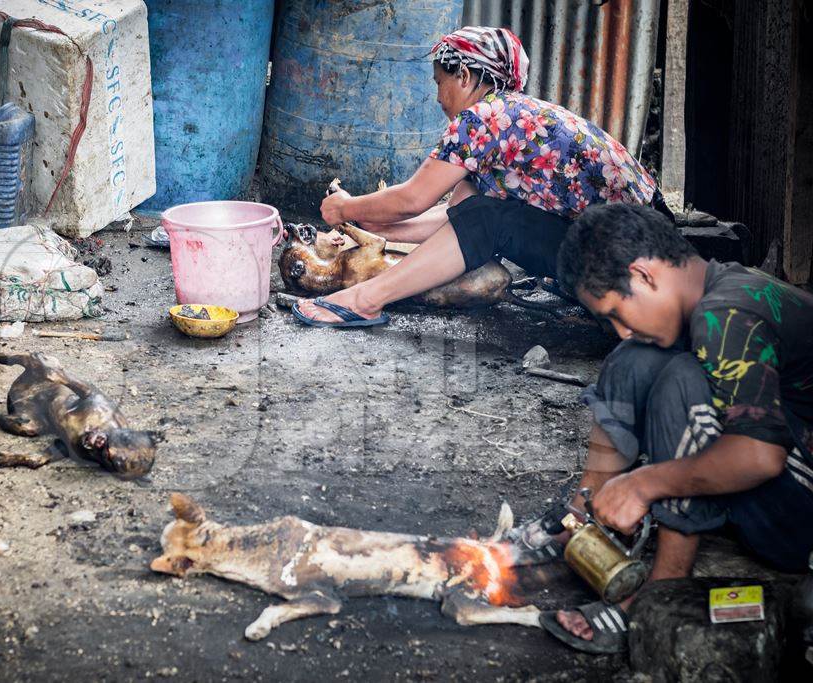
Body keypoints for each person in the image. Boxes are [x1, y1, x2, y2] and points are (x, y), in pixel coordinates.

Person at [527, 202, 813, 654]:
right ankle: (580, 517)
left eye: (617, 313)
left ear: (643, 275)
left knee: (682, 381)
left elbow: (760, 455)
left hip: (803, 519)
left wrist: (642, 485)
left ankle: (661, 594)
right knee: (634, 359)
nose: (619, 330)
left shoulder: (727, 314)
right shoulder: (710, 293)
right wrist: (597, 497)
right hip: (785, 481)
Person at [293, 26, 665, 328]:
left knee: (489, 218)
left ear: (466, 77)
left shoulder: (483, 119)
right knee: (482, 211)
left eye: (440, 82)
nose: (438, 96)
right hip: (637, 246)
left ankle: (365, 300)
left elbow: (413, 200)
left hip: (636, 261)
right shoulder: (507, 121)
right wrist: (384, 231)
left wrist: (346, 207)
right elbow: (458, 216)